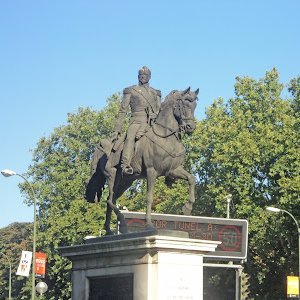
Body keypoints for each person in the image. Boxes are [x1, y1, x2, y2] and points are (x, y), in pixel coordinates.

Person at [112, 66, 161, 174]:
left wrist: (155, 114)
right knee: (130, 137)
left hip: (151, 123)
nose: (143, 77)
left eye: (145, 75)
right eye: (141, 75)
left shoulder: (155, 93)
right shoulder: (131, 90)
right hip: (136, 121)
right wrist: (117, 130)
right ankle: (125, 164)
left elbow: (159, 109)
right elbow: (122, 111)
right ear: (138, 77)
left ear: (150, 77)